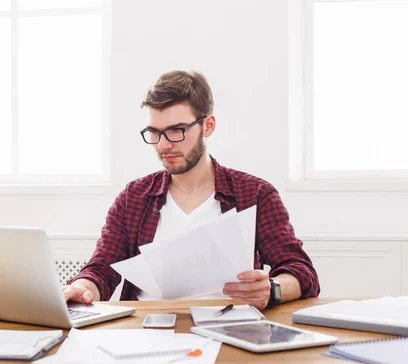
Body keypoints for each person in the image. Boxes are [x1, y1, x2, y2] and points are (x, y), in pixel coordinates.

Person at [63, 70, 319, 310]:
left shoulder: (255, 194)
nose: (164, 145)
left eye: (177, 131)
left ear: (208, 126)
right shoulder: (134, 197)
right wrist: (80, 289)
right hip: (146, 330)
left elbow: (301, 272)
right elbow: (101, 270)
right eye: (154, 133)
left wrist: (271, 289)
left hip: (229, 330)